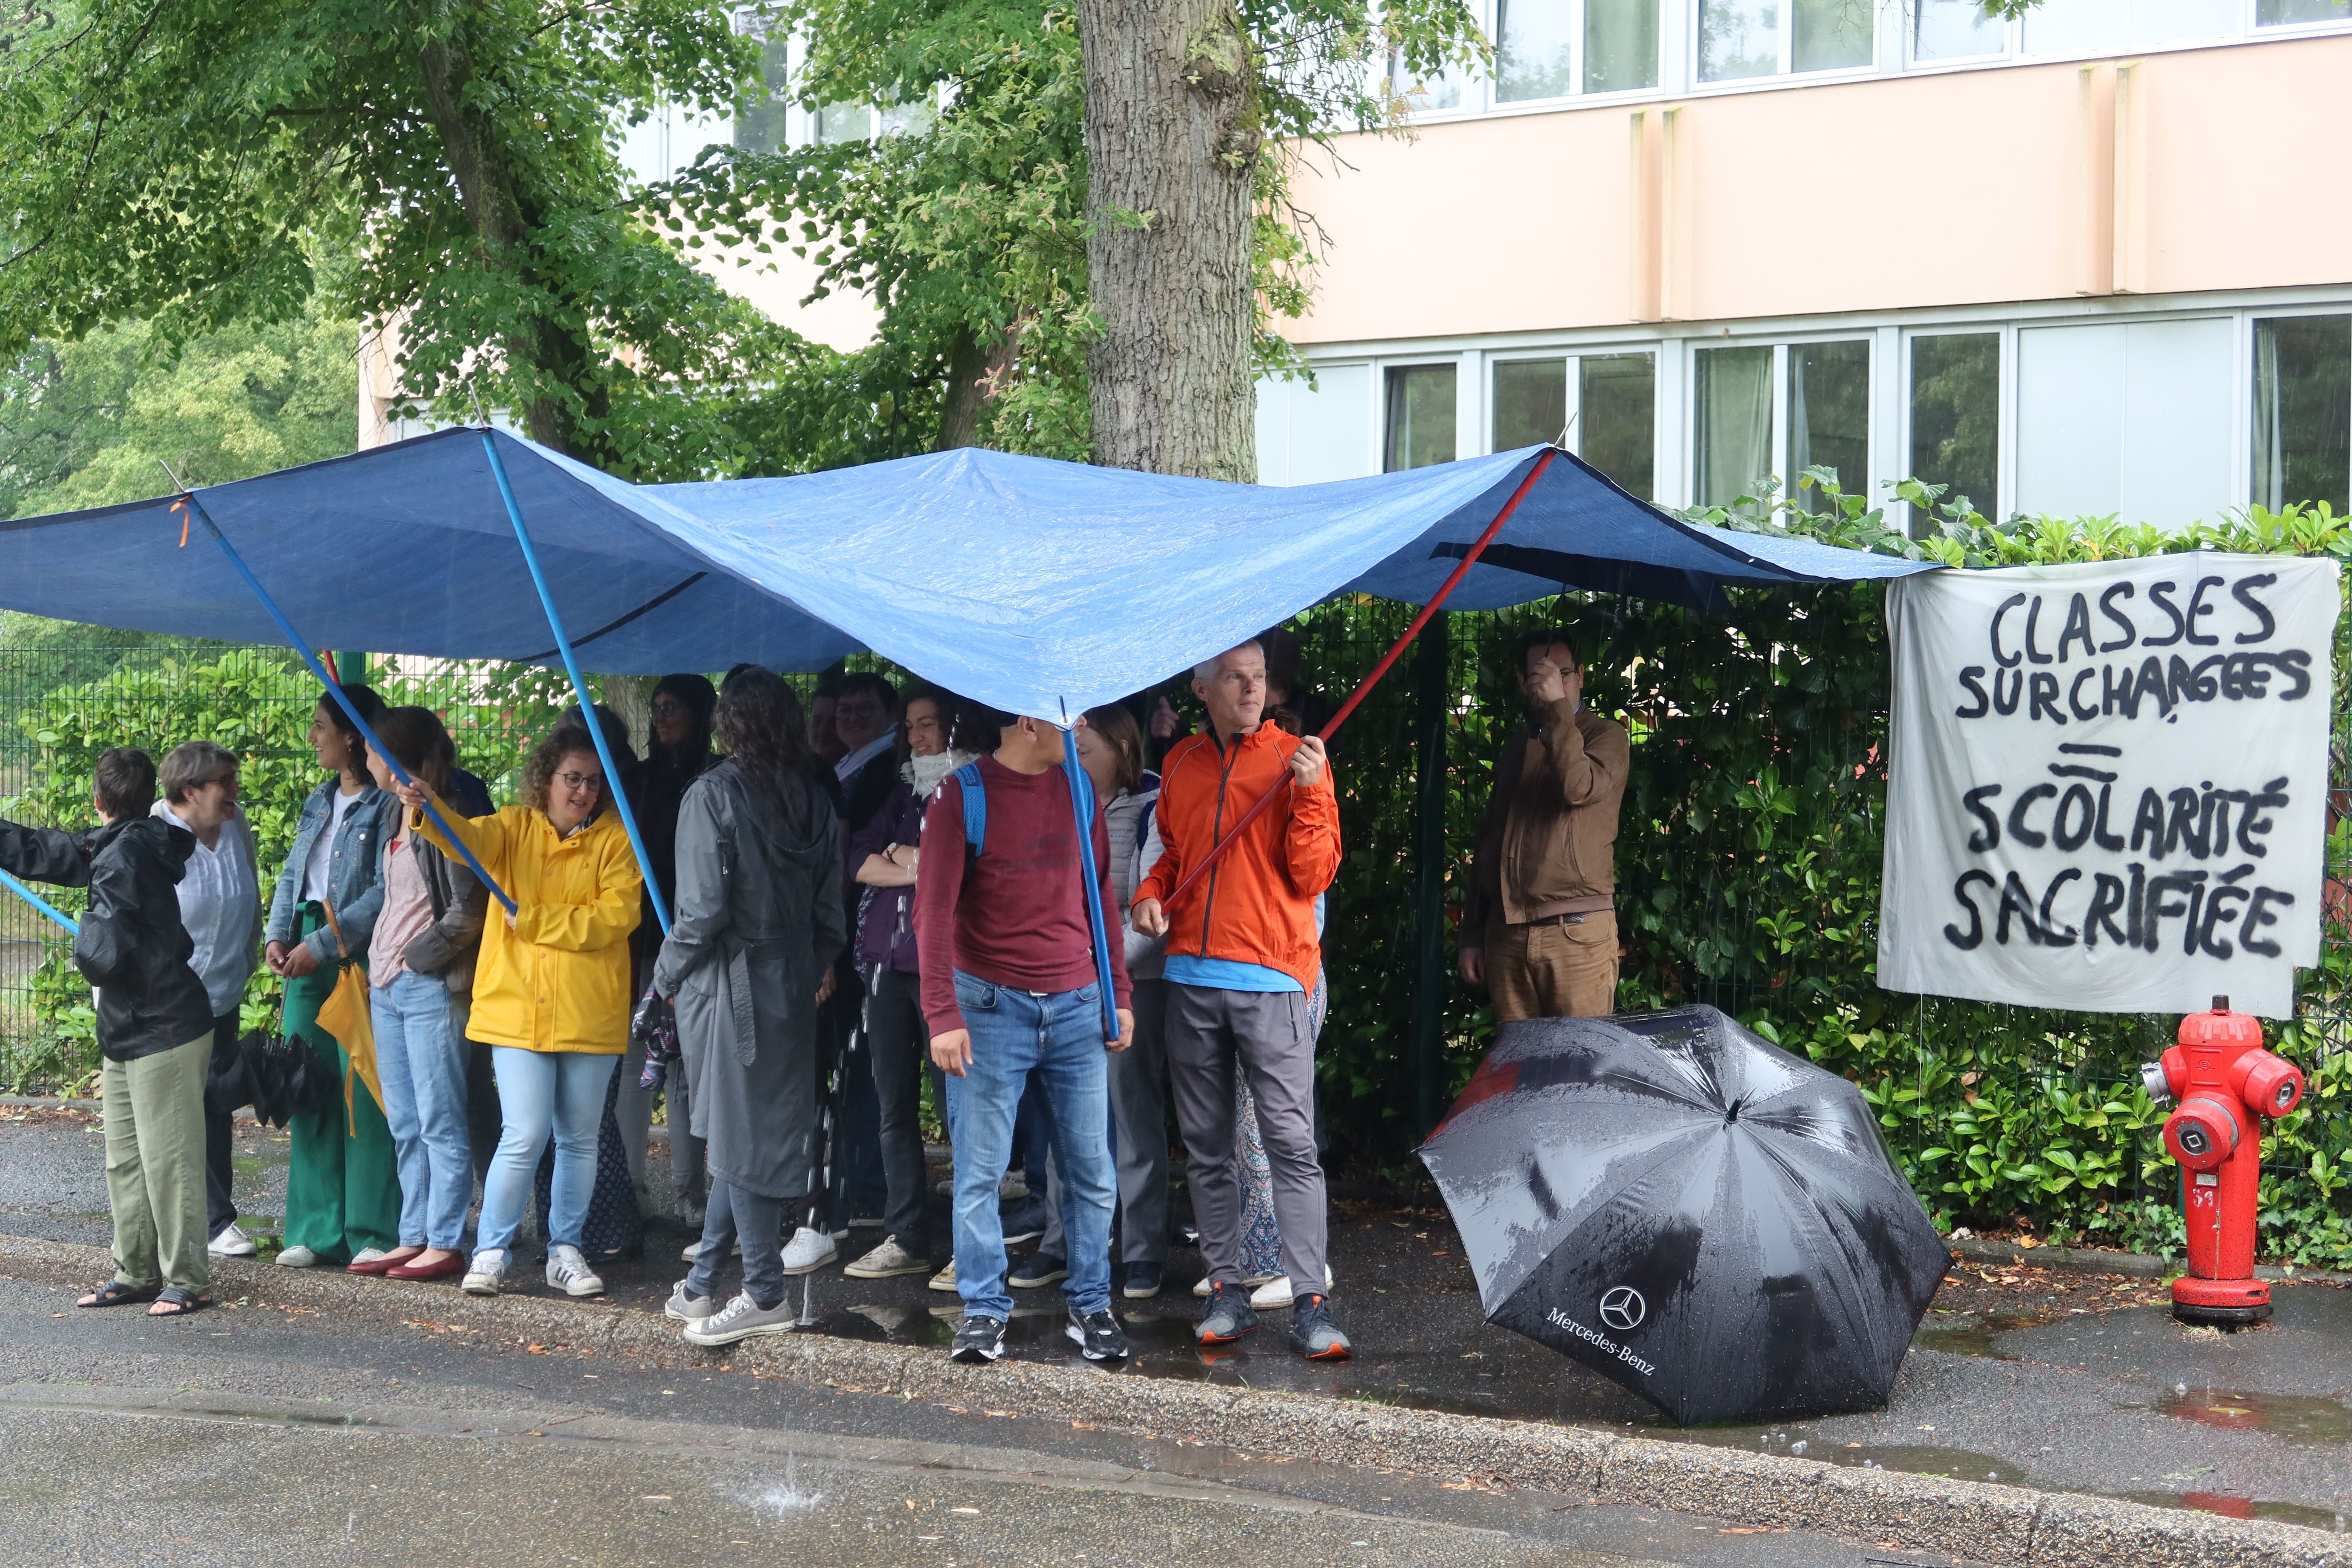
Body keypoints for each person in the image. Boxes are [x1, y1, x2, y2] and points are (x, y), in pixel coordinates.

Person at [1132, 640, 1350, 1360]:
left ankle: (1310, 1301)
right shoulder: (1182, 764)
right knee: (1206, 1146)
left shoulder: (1296, 761)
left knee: (1291, 1144)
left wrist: (1314, 792)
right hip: (1192, 976)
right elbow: (1172, 854)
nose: (1252, 689)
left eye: (1258, 678)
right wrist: (1149, 894)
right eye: (1236, 677)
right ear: (1203, 687)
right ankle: (1226, 1288)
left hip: (1274, 977)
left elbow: (1313, 873)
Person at [916, 704, 1134, 1367]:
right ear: (1029, 722)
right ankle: (984, 1310)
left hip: (1076, 1004)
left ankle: (1092, 1304)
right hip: (989, 1008)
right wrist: (942, 1015)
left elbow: (1101, 898)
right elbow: (933, 912)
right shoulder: (960, 797)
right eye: (1070, 720)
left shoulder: (1079, 791)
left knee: (1092, 1170)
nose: (1082, 731)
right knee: (980, 1171)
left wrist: (1118, 995)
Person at [397, 720, 644, 1298]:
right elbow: (460, 838)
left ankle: (565, 1249)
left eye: (591, 781)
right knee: (525, 1132)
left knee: (580, 1138)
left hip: (588, 1013)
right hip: (515, 1009)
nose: (581, 791)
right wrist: (427, 808)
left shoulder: (617, 839)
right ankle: (490, 1251)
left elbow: (616, 918)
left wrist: (533, 921)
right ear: (547, 779)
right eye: (571, 779)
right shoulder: (511, 826)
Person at [652, 669, 847, 1345]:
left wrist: (664, 976)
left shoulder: (712, 796)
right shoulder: (816, 800)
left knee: (736, 1138)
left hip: (724, 980)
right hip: (791, 978)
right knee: (750, 1131)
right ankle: (703, 1281)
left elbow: (700, 911)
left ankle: (763, 1291)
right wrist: (809, 965)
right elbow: (832, 915)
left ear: (726, 723)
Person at [0, 749, 218, 1315]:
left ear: (97, 800)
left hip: (163, 1028)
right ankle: (136, 1270)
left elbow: (103, 955)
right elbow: (44, 850)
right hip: (128, 1027)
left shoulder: (125, 855)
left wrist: (87, 945)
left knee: (169, 1162)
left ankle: (188, 1279)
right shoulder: (119, 843)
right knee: (125, 1158)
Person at [1016, 704, 1170, 1299]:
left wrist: (1101, 978)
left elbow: (1151, 909)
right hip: (1065, 983)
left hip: (1130, 983)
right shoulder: (1052, 799)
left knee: (1130, 1117)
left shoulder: (1151, 804)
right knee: (1064, 1121)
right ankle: (1063, 1242)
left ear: (1123, 749)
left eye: (1085, 747)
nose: (1073, 758)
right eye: (1070, 746)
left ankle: (1141, 1250)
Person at [840, 690, 971, 1282]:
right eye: (911, 727)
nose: (917, 737)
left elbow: (965, 868)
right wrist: (919, 864)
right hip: (885, 969)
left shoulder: (971, 786)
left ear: (952, 728)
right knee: (894, 1106)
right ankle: (905, 1235)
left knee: (958, 1111)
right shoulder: (900, 789)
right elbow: (858, 859)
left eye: (928, 726)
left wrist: (907, 858)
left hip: (945, 971)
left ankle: (966, 1244)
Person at [266, 685, 398, 1271]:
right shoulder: (318, 800)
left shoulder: (388, 805)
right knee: (308, 1084)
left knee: (364, 1089)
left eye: (321, 726)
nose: (313, 736)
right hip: (304, 949)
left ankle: (371, 1231)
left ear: (352, 735)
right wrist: (276, 936)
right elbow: (293, 874)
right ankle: (313, 1231)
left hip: (355, 955)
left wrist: (322, 945)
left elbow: (384, 893)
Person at [358, 708, 488, 1282]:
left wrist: (419, 956)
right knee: (406, 1120)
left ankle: (445, 1238)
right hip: (386, 984)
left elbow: (472, 908)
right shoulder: (392, 810)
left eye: (370, 751)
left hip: (427, 985)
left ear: (392, 760)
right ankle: (413, 1234)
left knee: (440, 1118)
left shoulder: (445, 812)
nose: (363, 760)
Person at [1459, 628, 1630, 1021]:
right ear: (1523, 683)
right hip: (1508, 936)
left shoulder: (1608, 736)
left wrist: (1557, 710)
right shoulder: (1516, 747)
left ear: (1581, 676)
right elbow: (1490, 843)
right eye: (1542, 676)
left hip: (1577, 934)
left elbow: (1577, 787)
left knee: (1580, 1070)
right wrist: (1472, 935)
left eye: (1564, 674)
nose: (1556, 683)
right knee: (1520, 1073)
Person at [538, 701, 647, 1263]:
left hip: (593, 985)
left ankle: (594, 1230)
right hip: (548, 989)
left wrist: (539, 922)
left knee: (585, 1126)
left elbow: (613, 913)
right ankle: (567, 1233)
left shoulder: (614, 817)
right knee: (563, 1127)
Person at [150, 742, 263, 1263]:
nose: (235, 792)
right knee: (177, 1111)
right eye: (225, 782)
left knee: (216, 1102)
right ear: (189, 790)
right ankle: (210, 1222)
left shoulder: (236, 828)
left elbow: (251, 897)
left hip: (222, 992)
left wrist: (251, 957)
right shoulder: (152, 837)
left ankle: (211, 1218)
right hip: (168, 1001)